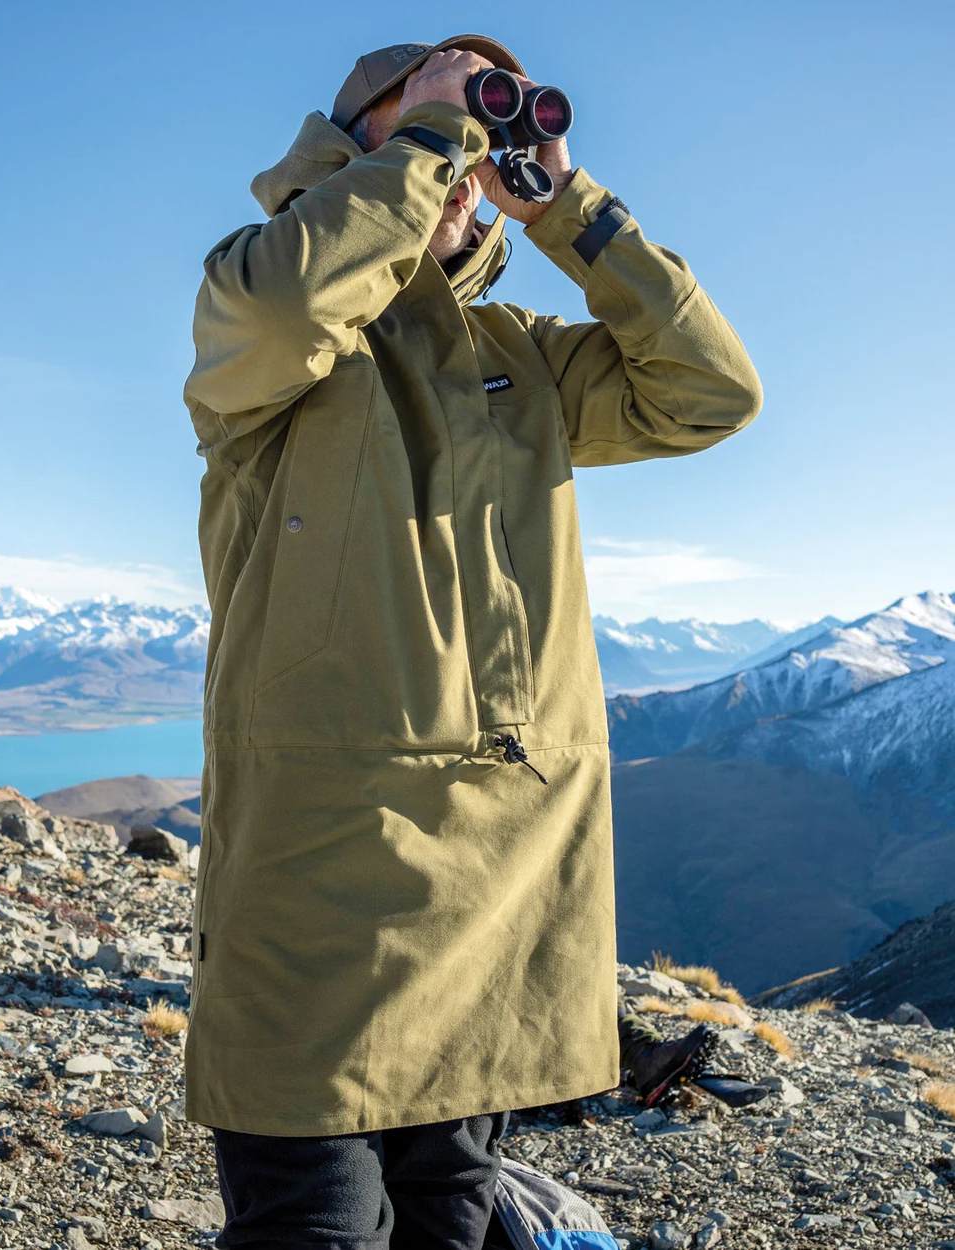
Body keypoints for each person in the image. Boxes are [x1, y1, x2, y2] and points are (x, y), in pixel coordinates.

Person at [182, 32, 764, 1250]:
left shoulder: (522, 358)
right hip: (328, 879)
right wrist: (430, 143)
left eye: (481, 133)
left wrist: (570, 212)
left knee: (451, 1219)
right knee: (318, 1226)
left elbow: (709, 391)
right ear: (359, 144)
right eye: (435, 123)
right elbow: (298, 298)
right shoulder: (262, 312)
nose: (464, 161)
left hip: (503, 888)